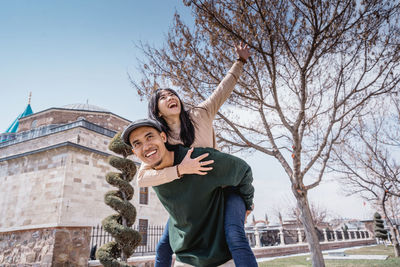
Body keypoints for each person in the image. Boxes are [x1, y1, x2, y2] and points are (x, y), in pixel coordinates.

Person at [137, 42, 256, 267]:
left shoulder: (200, 115)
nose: (171, 97)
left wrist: (239, 62)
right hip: (192, 202)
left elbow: (222, 90)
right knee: (164, 245)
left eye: (173, 94)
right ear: (157, 111)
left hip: (222, 190)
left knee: (235, 237)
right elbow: (143, 177)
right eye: (164, 97)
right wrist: (181, 170)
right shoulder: (162, 139)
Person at [122, 119, 255, 267]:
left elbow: (243, 170)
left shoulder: (198, 159)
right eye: (137, 143)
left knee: (235, 237)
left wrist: (247, 204)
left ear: (164, 137)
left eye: (149, 137)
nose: (146, 146)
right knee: (162, 247)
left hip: (221, 247)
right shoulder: (150, 176)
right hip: (186, 248)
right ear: (134, 153)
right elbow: (140, 180)